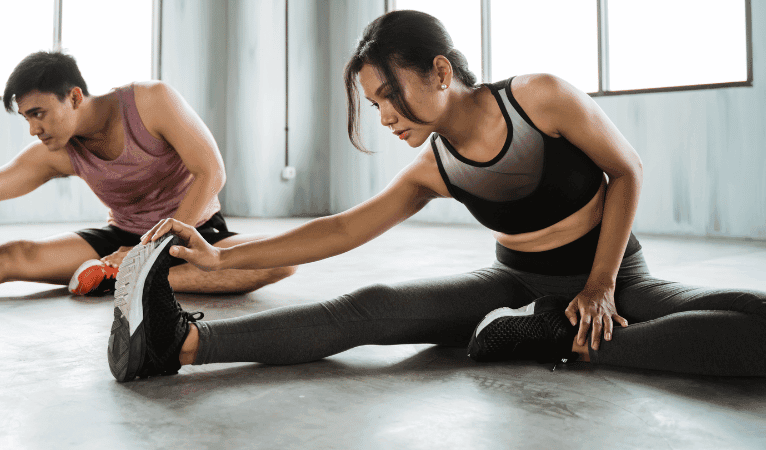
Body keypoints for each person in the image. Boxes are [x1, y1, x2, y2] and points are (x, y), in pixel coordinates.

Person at [105, 10, 766, 381]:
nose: (386, 117)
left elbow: (629, 171)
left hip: (616, 277)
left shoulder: (539, 97)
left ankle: (558, 340)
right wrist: (222, 258)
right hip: (514, 284)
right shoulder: (435, 166)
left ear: (440, 71)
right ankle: (178, 346)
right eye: (374, 105)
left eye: (390, 96)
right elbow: (339, 231)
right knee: (374, 306)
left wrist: (597, 289)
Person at [0, 51, 296, 314]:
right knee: (12, 255)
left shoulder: (151, 101)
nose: (33, 128)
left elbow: (212, 172)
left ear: (75, 95)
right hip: (120, 239)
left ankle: (129, 275)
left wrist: (154, 251)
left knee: (283, 262)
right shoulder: (61, 152)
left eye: (39, 113)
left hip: (193, 230)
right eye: (26, 118)